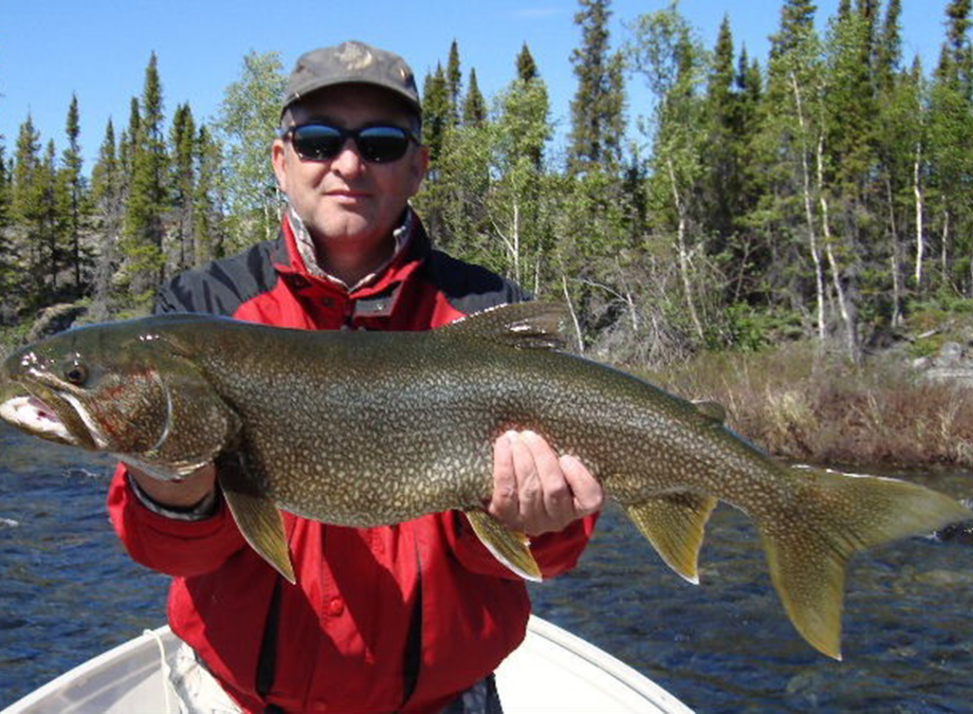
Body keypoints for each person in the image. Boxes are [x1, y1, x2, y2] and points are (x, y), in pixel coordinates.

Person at [107, 40, 603, 714]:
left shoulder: (484, 311)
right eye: (317, 141)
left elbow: (542, 555)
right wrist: (176, 490)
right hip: (250, 699)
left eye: (380, 143)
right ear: (281, 162)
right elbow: (173, 552)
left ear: (418, 167)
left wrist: (538, 526)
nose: (347, 163)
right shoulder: (202, 309)